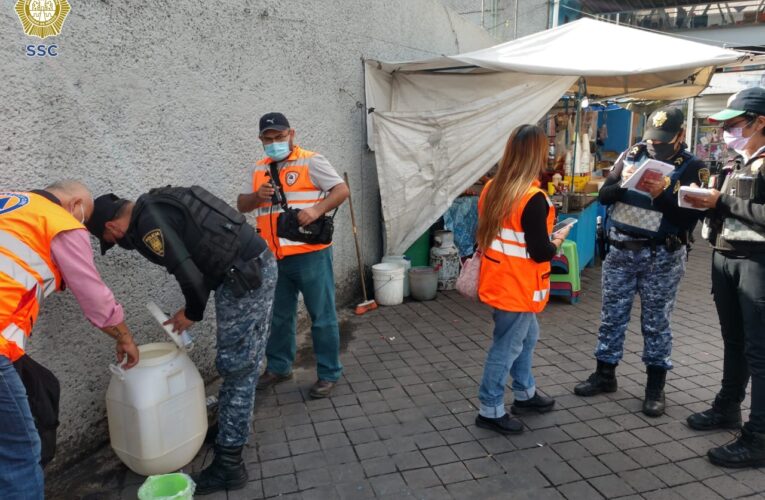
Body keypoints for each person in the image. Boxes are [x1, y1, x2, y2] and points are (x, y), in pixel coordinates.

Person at [87, 185, 276, 494]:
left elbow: (192, 278)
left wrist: (192, 312)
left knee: (238, 367)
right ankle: (228, 429)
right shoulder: (155, 203)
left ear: (111, 227)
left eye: (109, 240)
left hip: (245, 275)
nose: (116, 244)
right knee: (236, 363)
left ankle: (230, 465)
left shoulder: (148, 227)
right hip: (247, 267)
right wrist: (193, 306)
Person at [0, 180, 138, 500]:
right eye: (84, 217)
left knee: (42, 387)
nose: (82, 226)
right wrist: (125, 337)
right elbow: (94, 298)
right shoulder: (59, 221)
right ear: (76, 205)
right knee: (21, 453)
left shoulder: (10, 204)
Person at [573, 107, 707, 417]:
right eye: (652, 140)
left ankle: (655, 388)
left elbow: (689, 218)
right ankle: (604, 375)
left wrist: (661, 194)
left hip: (661, 255)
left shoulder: (692, 167)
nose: (654, 146)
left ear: (680, 136)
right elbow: (604, 195)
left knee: (656, 322)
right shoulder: (631, 154)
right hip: (620, 251)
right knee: (612, 316)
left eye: (662, 141)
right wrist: (624, 185)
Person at [237, 113, 349, 398]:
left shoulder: (311, 161)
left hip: (310, 255)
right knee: (278, 316)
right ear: (261, 140)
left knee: (322, 316)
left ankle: (328, 373)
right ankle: (278, 367)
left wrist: (316, 210)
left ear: (291, 134)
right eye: (268, 138)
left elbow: (341, 189)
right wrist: (256, 197)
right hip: (272, 258)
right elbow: (242, 205)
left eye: (279, 137)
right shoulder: (259, 168)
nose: (275, 143)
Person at [683, 87, 765, 468]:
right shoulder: (736, 162)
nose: (727, 133)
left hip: (756, 264)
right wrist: (703, 202)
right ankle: (728, 407)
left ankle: (759, 438)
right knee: (734, 341)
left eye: (734, 125)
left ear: (760, 122)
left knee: (759, 351)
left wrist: (722, 202)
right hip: (724, 257)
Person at [473, 124, 571, 435]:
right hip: (519, 286)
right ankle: (489, 408)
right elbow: (541, 252)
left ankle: (525, 393)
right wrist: (559, 238)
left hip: (500, 279)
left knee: (525, 339)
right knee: (508, 346)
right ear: (538, 154)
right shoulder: (533, 198)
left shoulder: (492, 188)